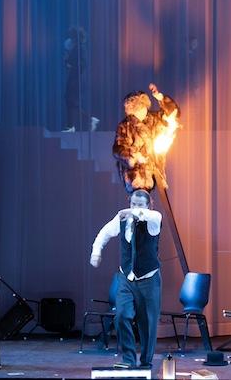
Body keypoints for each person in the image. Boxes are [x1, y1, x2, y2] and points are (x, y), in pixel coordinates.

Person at [89, 189, 162, 368]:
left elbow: (151, 216)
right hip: (126, 278)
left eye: (139, 205)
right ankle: (128, 360)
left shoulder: (154, 220)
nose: (135, 207)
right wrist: (96, 252)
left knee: (147, 324)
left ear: (148, 205)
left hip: (148, 279)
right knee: (121, 315)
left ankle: (145, 362)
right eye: (133, 204)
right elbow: (104, 234)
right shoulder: (122, 219)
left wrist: (131, 211)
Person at [113, 83, 179, 193]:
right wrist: (134, 156)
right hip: (135, 175)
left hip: (154, 171)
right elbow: (118, 149)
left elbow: (173, 114)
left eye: (143, 108)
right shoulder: (125, 126)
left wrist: (160, 97)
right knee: (139, 199)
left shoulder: (154, 119)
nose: (141, 112)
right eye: (137, 110)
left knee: (148, 201)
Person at [62, 26, 99, 132]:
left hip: (76, 78)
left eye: (71, 36)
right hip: (73, 77)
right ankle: (80, 123)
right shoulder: (75, 48)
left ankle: (74, 125)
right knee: (71, 102)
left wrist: (71, 65)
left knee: (71, 101)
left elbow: (82, 64)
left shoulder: (80, 48)